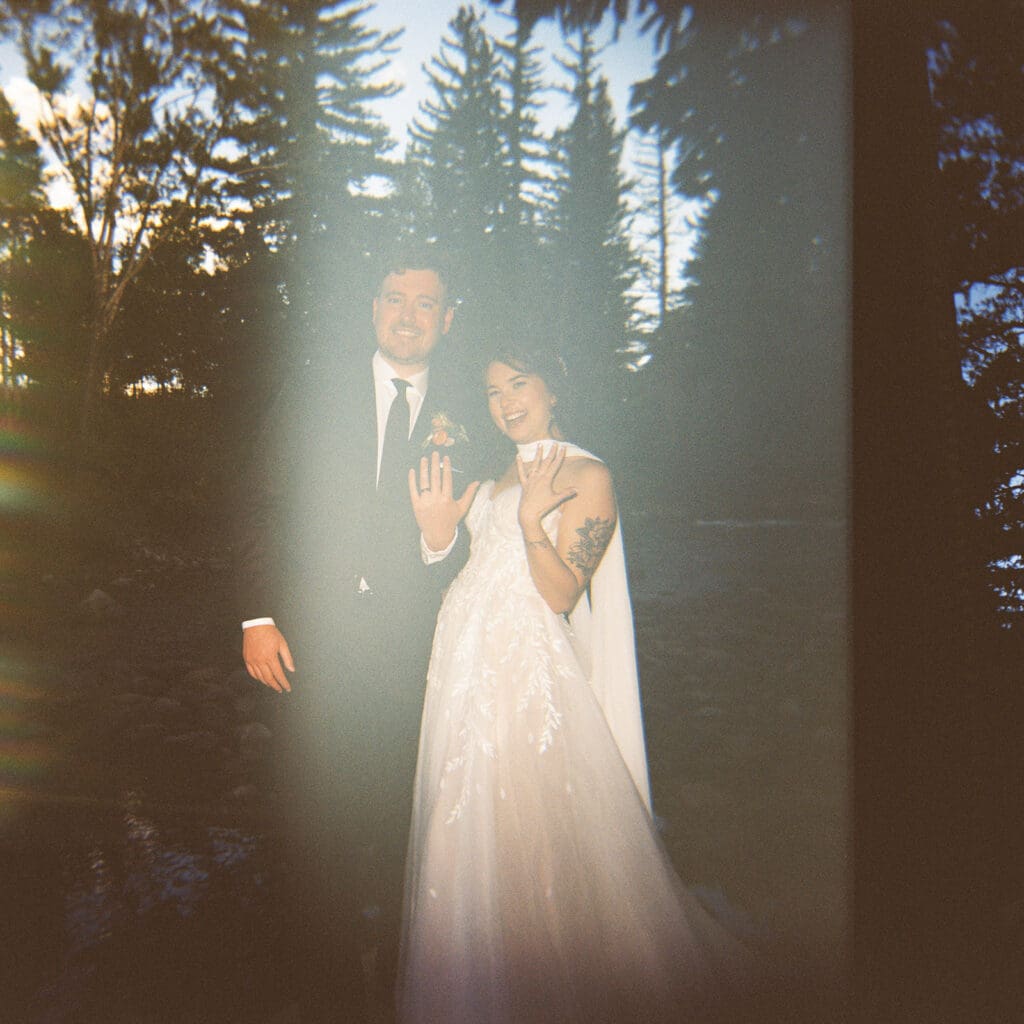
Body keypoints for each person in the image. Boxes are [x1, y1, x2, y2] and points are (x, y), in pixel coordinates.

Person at [397, 350, 750, 1023]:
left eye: (519, 383)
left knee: (531, 821)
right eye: (492, 388)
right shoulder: (501, 467)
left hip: (523, 669)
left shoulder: (589, 473)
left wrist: (532, 524)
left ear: (556, 386)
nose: (504, 402)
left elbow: (560, 593)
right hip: (462, 661)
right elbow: (468, 559)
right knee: (463, 818)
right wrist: (436, 537)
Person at [233, 245, 482, 1019]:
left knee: (399, 806)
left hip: (415, 644)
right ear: (374, 310)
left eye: (424, 302)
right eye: (393, 299)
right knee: (310, 808)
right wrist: (256, 614)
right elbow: (259, 499)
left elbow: (476, 540)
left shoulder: (469, 419)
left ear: (447, 319)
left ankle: (392, 966)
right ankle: (319, 976)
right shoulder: (315, 394)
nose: (407, 315)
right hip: (309, 637)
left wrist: (442, 539)